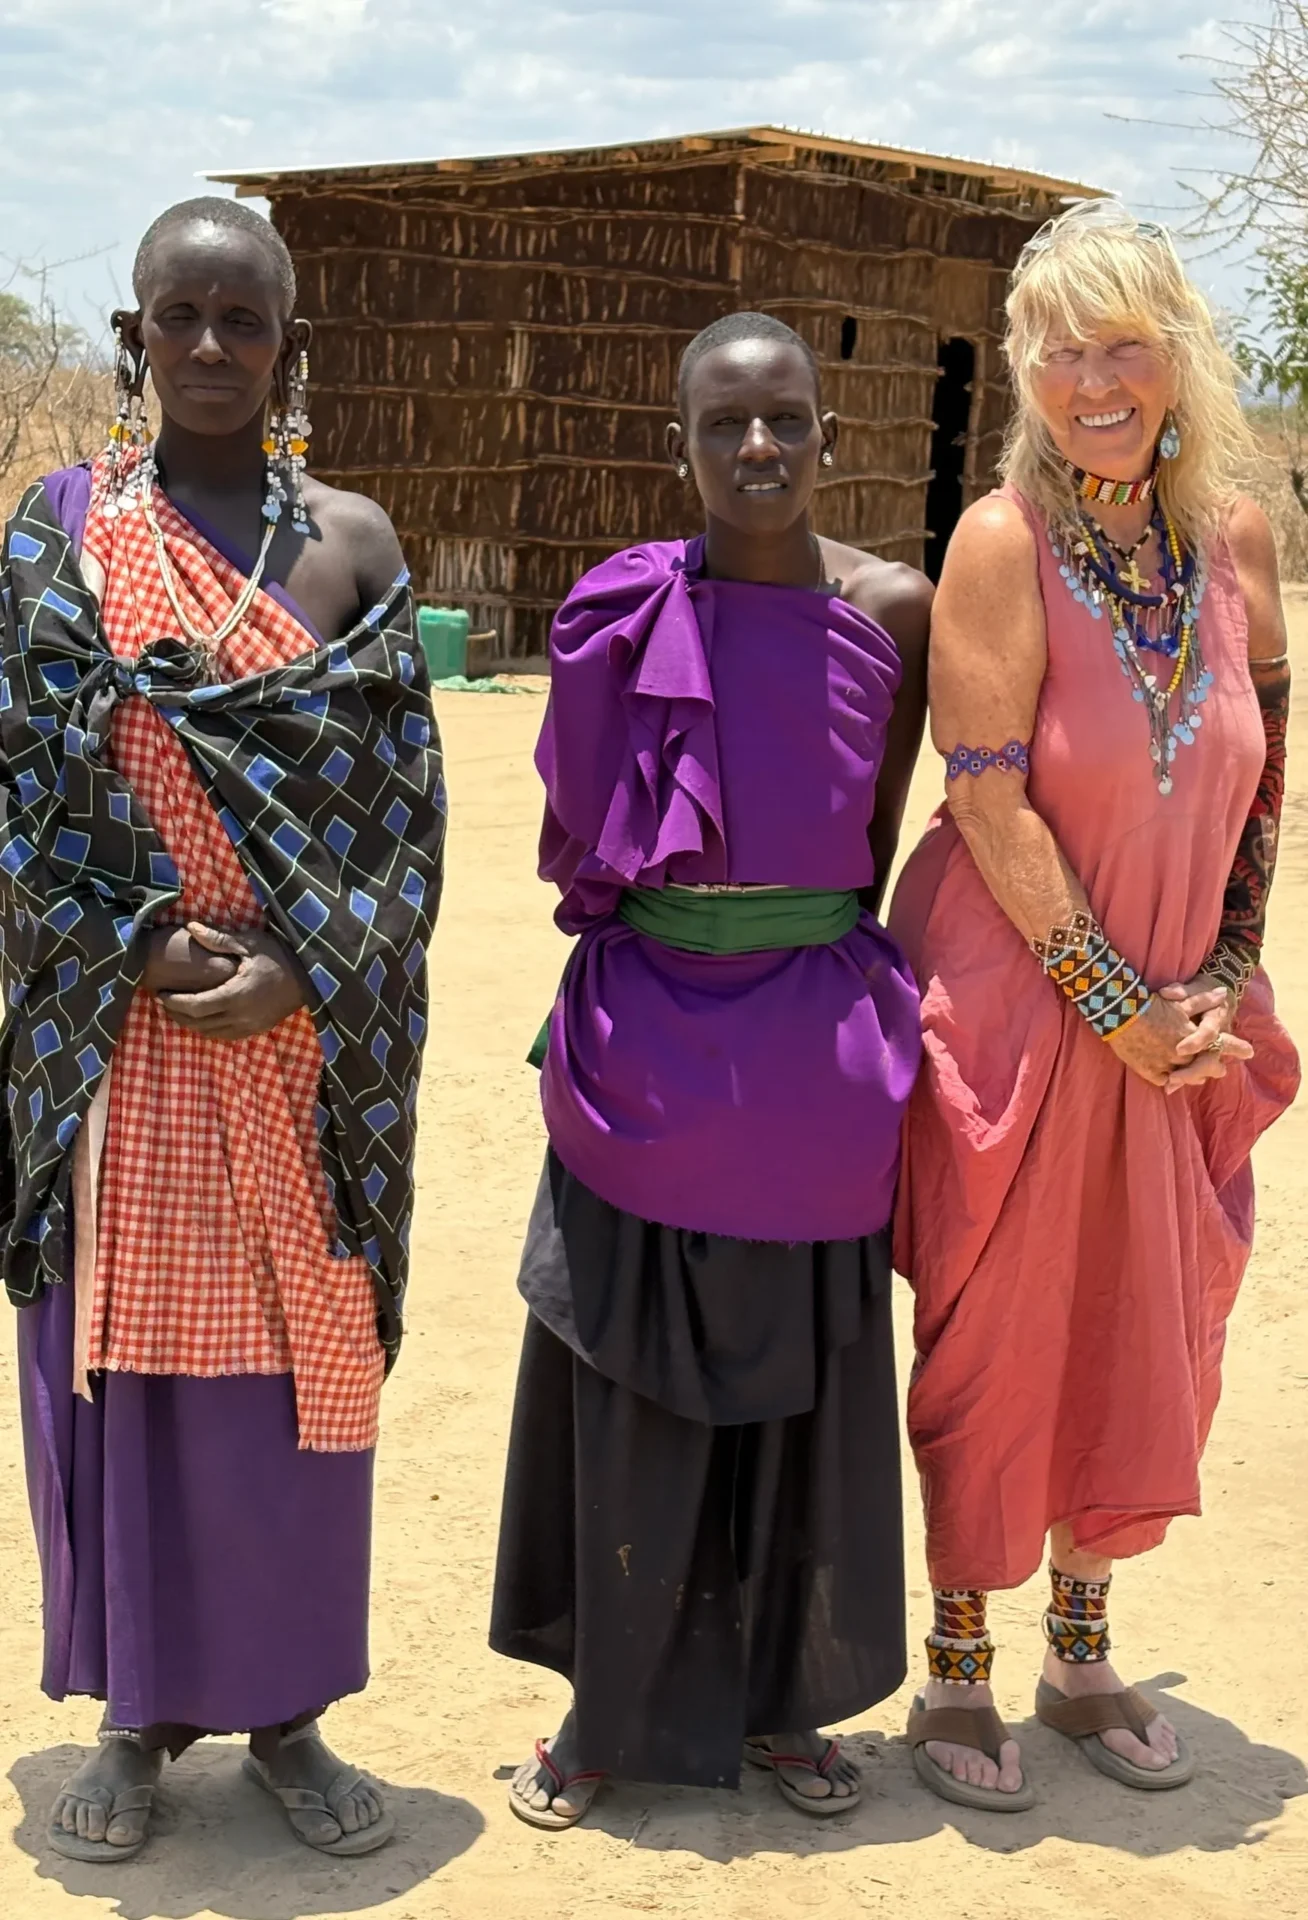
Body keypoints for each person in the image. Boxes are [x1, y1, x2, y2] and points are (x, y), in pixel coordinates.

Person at [0, 198, 445, 1862]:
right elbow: (20, 781)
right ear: (132, 339)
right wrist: (135, 940)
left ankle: (291, 1714)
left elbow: (403, 829)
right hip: (114, 1047)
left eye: (238, 319)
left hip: (293, 1052)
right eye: (175, 316)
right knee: (121, 1383)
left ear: (285, 344)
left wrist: (305, 970)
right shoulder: (57, 532)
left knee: (286, 1393)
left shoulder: (352, 545)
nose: (205, 346)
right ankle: (130, 1714)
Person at [489, 311, 930, 1830]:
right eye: (727, 423)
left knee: (805, 1398)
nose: (760, 448)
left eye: (788, 420)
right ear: (680, 442)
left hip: (812, 1061)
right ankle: (601, 1719)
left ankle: (783, 1707)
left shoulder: (895, 608)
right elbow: (590, 839)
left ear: (828, 431)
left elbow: (866, 842)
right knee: (628, 1387)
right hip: (645, 1051)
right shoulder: (616, 612)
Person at [890, 199, 1299, 1812]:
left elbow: (1264, 784)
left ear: (1180, 355)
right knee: (1003, 1336)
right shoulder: (1003, 543)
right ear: (1025, 372)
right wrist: (1115, 1003)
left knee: (1155, 1331)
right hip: (1027, 998)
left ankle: (1078, 1654)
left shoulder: (1241, 542)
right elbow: (989, 806)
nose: (1091, 378)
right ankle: (959, 1678)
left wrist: (1212, 982)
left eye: (1121, 339)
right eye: (1057, 346)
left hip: (1186, 1018)